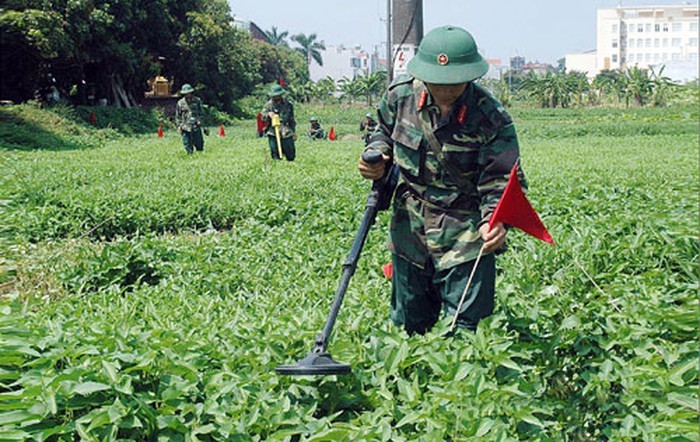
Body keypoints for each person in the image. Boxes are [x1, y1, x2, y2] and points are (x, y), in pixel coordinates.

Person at [357, 25, 525, 334]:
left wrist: (495, 220)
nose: (446, 92)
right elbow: (381, 130)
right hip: (410, 226)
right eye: (438, 83)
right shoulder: (400, 95)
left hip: (466, 231)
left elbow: (502, 180)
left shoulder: (491, 117)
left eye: (454, 84)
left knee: (467, 329)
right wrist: (377, 154)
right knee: (407, 324)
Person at [261, 84, 297, 160]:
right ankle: (277, 166)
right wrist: (268, 115)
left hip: (286, 131)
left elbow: (291, 119)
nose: (275, 98)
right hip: (273, 131)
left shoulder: (288, 104)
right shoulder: (268, 105)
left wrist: (294, 132)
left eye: (277, 96)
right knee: (275, 153)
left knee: (290, 153)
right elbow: (262, 117)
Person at [175, 83, 204, 154]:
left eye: (189, 93)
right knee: (187, 143)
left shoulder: (197, 101)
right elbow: (178, 116)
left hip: (195, 125)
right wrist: (179, 126)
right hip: (185, 126)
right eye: (186, 93)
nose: (187, 95)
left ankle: (200, 156)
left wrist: (200, 120)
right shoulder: (180, 103)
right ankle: (190, 154)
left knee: (199, 143)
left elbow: (201, 113)